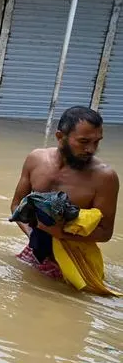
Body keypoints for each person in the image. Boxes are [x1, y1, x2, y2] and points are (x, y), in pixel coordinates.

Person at [11, 106, 119, 279]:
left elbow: (105, 233)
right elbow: (17, 205)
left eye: (97, 142)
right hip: (33, 254)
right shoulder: (36, 159)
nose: (91, 149)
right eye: (84, 142)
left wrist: (60, 233)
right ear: (60, 137)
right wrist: (33, 236)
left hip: (75, 264)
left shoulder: (105, 177)